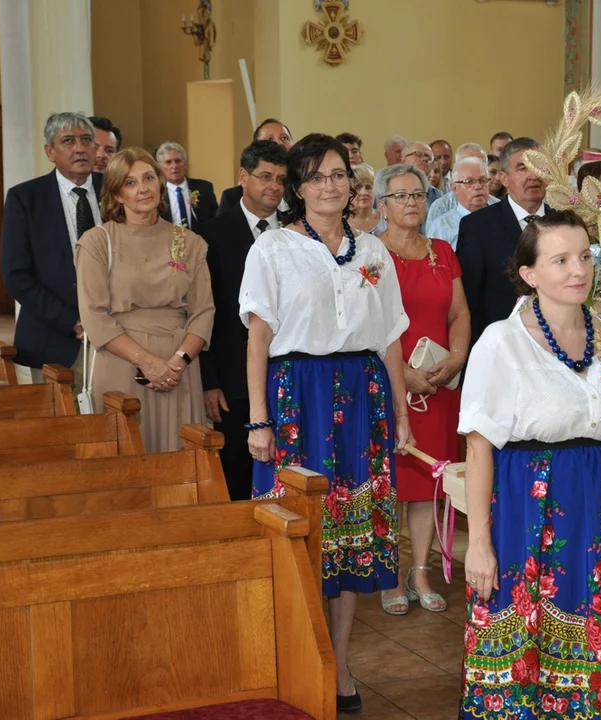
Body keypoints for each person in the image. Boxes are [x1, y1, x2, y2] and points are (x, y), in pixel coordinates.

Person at [240, 133, 412, 714]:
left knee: (349, 539)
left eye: (339, 175)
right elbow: (258, 341)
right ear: (296, 186)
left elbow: (390, 339)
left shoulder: (374, 252)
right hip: (296, 399)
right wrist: (257, 420)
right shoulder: (272, 250)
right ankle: (289, 657)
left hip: (362, 401)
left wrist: (399, 415)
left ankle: (337, 662)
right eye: (315, 176)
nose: (330, 186)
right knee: (301, 531)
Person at [459, 210, 601, 719]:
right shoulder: (501, 344)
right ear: (528, 273)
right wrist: (479, 541)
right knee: (530, 640)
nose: (578, 270)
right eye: (560, 259)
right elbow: (479, 448)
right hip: (531, 512)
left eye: (585, 256)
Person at [374, 164, 469, 615]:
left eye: (418, 194)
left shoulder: (443, 251)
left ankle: (421, 570)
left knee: (431, 481)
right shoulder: (370, 254)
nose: (411, 202)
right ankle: (390, 572)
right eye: (400, 195)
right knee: (393, 480)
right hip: (388, 381)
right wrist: (401, 376)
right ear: (382, 205)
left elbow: (460, 313)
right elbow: (367, 323)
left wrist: (456, 356)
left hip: (440, 384)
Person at [75, 147, 214, 453]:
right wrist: (148, 363)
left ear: (160, 183)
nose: (143, 189)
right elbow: (94, 316)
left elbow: (203, 312)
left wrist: (177, 363)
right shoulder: (98, 242)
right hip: (122, 366)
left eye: (148, 178)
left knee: (180, 466)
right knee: (126, 462)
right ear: (116, 194)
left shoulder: (188, 242)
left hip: (180, 370)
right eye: (130, 183)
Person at [199, 140, 287, 501]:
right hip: (232, 377)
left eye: (281, 179)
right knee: (236, 470)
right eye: (265, 176)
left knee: (284, 469)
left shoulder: (296, 231)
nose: (274, 187)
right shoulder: (212, 234)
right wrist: (209, 381)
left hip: (286, 371)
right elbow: (204, 312)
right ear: (243, 177)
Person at [1, 112, 102, 387]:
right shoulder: (26, 198)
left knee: (117, 424)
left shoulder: (114, 193)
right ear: (50, 151)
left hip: (116, 343)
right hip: (53, 341)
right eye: (68, 141)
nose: (79, 148)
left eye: (85, 140)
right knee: (60, 428)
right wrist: (72, 321)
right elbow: (17, 276)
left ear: (95, 147)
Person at [458, 137, 549, 345]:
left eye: (539, 166)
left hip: (555, 345)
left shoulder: (562, 223)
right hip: (499, 345)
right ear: (504, 178)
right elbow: (468, 300)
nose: (533, 175)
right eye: (523, 168)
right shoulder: (478, 226)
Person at [219, 118, 294, 214]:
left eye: (284, 138)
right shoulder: (233, 197)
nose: (279, 143)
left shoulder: (303, 189)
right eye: (269, 139)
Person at [427, 157, 491, 249]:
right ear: (454, 188)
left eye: (483, 180)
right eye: (469, 182)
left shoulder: (501, 218)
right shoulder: (442, 226)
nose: (478, 186)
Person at [157, 142, 218, 233]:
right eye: (168, 162)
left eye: (178, 161)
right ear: (160, 167)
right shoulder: (157, 193)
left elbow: (216, 219)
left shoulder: (204, 188)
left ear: (185, 163)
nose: (174, 166)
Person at [426, 143, 495, 224]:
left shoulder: (499, 206)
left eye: (481, 163)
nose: (476, 167)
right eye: (468, 163)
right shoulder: (441, 207)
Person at [348, 163, 380, 234]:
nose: (364, 193)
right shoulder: (340, 224)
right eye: (357, 188)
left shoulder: (388, 219)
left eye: (368, 187)